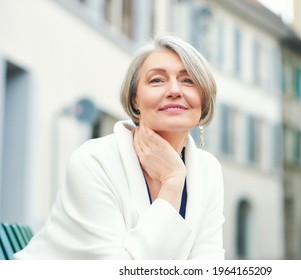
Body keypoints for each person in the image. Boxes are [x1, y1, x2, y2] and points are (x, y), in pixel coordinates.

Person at [15, 35, 225, 260]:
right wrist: (173, 181)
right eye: (156, 80)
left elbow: (208, 262)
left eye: (188, 80)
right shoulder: (93, 161)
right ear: (135, 99)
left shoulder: (208, 169)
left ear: (203, 98)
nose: (174, 90)